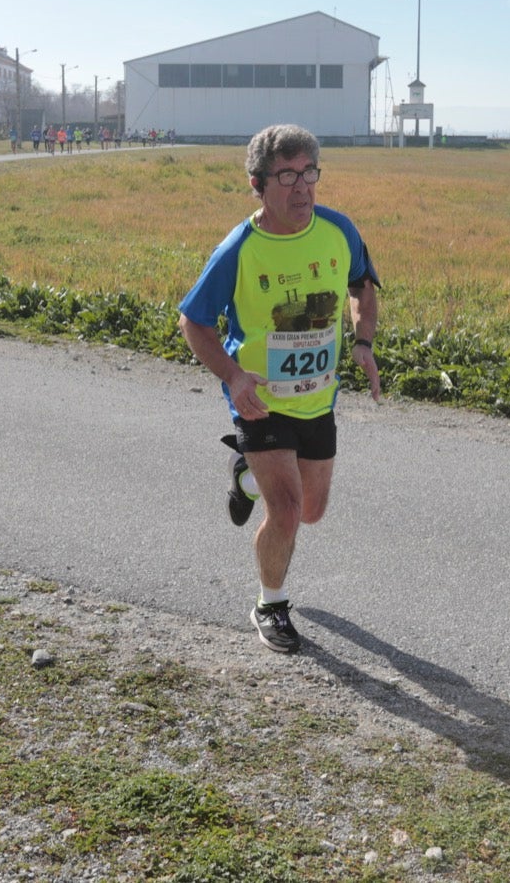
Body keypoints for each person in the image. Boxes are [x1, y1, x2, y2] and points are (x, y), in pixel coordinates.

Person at [177, 125, 382, 654]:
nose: (302, 187)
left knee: (311, 511)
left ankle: (245, 477)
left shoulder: (339, 230)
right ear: (258, 185)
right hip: (259, 402)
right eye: (287, 176)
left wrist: (362, 341)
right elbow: (194, 322)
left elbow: (362, 285)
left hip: (317, 398)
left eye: (309, 173)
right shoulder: (238, 249)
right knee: (287, 511)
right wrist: (233, 376)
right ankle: (270, 604)